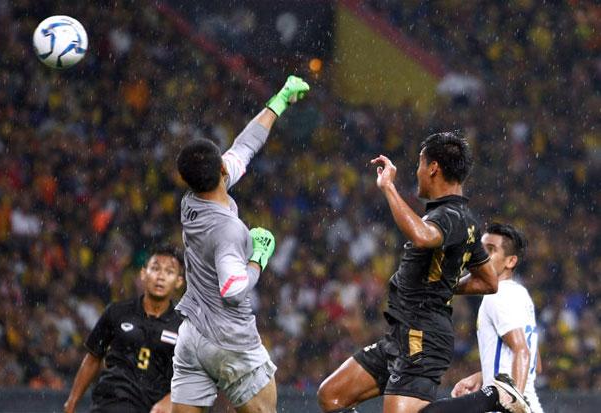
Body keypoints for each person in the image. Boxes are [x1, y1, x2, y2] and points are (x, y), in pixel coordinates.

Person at [317, 132, 527, 413]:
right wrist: (444, 286)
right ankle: (493, 397)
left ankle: (493, 397)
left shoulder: (450, 216)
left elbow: (423, 236)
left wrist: (388, 187)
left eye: (419, 164)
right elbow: (489, 281)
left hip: (423, 335)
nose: (417, 172)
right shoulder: (465, 221)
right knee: (332, 395)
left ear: (433, 168)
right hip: (401, 335)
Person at [171, 76, 310, 413]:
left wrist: (279, 101)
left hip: (192, 337)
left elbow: (245, 146)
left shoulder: (190, 201)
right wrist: (258, 259)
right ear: (221, 169)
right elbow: (233, 290)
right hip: (231, 341)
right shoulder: (228, 231)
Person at [420, 223, 541, 413]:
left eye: (490, 250)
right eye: (480, 248)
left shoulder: (499, 296)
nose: (481, 255)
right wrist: (482, 376)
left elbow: (522, 351)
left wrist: (514, 404)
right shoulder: (521, 295)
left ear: (510, 261)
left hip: (506, 406)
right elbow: (535, 363)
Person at [64, 246, 185, 413]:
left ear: (179, 281)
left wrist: (171, 399)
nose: (161, 277)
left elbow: (193, 377)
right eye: (155, 268)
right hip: (110, 404)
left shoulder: (184, 328)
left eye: (169, 272)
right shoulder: (117, 312)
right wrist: (71, 402)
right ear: (143, 274)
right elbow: (93, 358)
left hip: (153, 407)